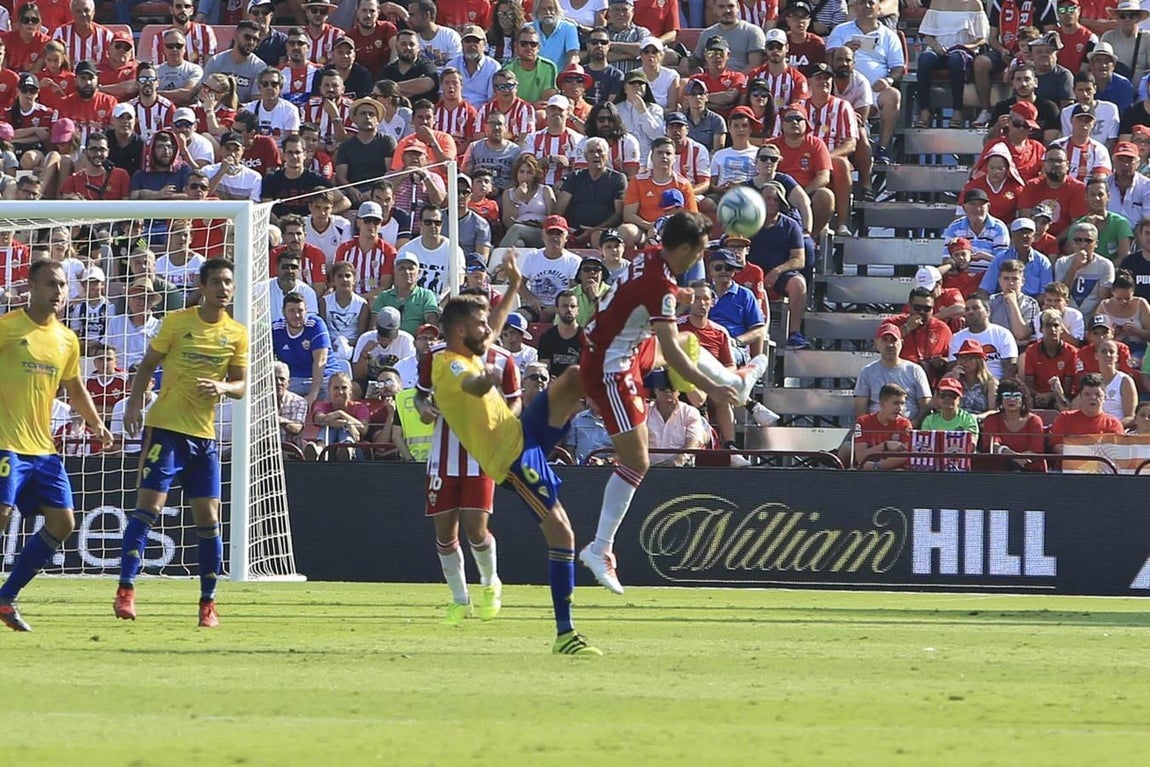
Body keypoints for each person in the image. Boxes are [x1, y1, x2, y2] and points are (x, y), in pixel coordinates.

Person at [579, 212, 762, 594]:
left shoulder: (649, 256)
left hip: (620, 345)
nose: (698, 262)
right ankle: (600, 548)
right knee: (637, 460)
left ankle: (736, 382)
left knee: (690, 341)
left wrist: (680, 297)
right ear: (681, 249)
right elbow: (670, 354)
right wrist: (709, 388)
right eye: (696, 253)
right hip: (613, 365)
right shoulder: (660, 281)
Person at [431, 254, 603, 655]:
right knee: (563, 534)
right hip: (512, 462)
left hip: (522, 434)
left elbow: (490, 330)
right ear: (459, 331)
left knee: (575, 377)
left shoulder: (469, 349)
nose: (488, 330)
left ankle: (621, 392)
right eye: (479, 324)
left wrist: (515, 284)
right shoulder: (449, 366)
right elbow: (471, 385)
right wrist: (486, 378)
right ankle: (565, 634)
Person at [111, 259, 246, 628]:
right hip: (166, 430)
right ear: (202, 286)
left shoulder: (236, 333)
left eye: (228, 282)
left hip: (204, 437)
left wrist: (222, 386)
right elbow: (146, 364)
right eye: (216, 281)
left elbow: (241, 384)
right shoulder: (176, 322)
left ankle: (208, 603)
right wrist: (134, 406)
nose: (223, 288)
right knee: (149, 508)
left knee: (210, 518)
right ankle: (125, 589)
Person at [0, 261, 112, 631]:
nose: (58, 291)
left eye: (63, 285)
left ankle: (5, 597)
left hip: (43, 449)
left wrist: (97, 424)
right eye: (50, 284)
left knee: (63, 522)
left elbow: (76, 388)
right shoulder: (7, 328)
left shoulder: (67, 339)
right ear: (31, 286)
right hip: (6, 443)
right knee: (1, 514)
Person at [855, 322, 933, 424]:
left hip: (909, 428)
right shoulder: (867, 372)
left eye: (893, 340)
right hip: (877, 430)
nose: (890, 345)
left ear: (901, 343)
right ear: (876, 344)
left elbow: (925, 406)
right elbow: (861, 409)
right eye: (885, 340)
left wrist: (913, 424)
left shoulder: (915, 370)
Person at [978, 378, 1047, 471]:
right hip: (999, 473)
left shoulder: (1034, 421)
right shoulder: (992, 420)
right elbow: (992, 446)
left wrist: (1015, 458)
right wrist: (1014, 456)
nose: (1011, 399)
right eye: (1006, 395)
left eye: (1017, 396)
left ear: (1023, 399)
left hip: (1031, 472)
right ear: (1000, 399)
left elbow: (1036, 451)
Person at [1049, 372, 1126, 454]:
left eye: (1098, 394)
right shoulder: (1065, 418)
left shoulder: (1113, 424)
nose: (1093, 398)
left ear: (1105, 397)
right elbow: (1057, 446)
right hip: (1070, 465)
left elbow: (1117, 452)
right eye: (1087, 394)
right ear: (1081, 397)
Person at [645, 369, 709, 467]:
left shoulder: (690, 412)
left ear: (679, 391)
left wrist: (680, 459)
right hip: (647, 469)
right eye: (662, 389)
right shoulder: (645, 411)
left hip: (680, 471)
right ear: (655, 391)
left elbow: (694, 442)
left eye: (672, 389)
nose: (668, 393)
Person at [950, 293, 1020, 380]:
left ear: (987, 312)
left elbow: (1010, 369)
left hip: (997, 383)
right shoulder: (957, 338)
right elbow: (952, 367)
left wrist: (999, 389)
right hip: (968, 385)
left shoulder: (1003, 334)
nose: (970, 312)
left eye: (975, 308)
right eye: (967, 309)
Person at [844, 382, 912, 471]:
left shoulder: (904, 424)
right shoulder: (863, 422)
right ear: (883, 403)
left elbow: (907, 455)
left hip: (891, 470)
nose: (900, 408)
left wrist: (877, 466)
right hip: (867, 473)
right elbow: (860, 457)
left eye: (902, 404)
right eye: (896, 403)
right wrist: (885, 446)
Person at [1055, 221, 1115, 318]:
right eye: (1078, 240)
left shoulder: (1105, 265)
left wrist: (1090, 321)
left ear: (1096, 244)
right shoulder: (1062, 263)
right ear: (1072, 243)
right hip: (1067, 316)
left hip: (1094, 316)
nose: (1083, 245)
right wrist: (1074, 268)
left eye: (1088, 240)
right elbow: (1059, 295)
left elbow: (1104, 299)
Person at [1022, 308, 1078, 409]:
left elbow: (1067, 388)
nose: (1052, 329)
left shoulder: (1071, 352)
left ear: (1061, 329)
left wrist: (1050, 395)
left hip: (1060, 396)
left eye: (1056, 325)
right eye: (1048, 325)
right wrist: (1040, 396)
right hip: (1037, 397)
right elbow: (1029, 384)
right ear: (1041, 329)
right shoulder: (1032, 350)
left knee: (1061, 406)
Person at [1074, 338, 1137, 423]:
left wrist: (1111, 428)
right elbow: (1073, 408)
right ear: (1096, 355)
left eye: (1111, 352)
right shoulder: (1092, 380)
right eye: (1103, 351)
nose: (1108, 354)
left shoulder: (1125, 381)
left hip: (1116, 431)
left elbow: (1130, 417)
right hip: (1092, 429)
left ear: (1117, 357)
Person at [537, 290, 583, 377]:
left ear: (577, 310)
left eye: (572, 306)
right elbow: (544, 367)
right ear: (557, 310)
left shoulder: (586, 337)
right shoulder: (547, 337)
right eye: (565, 306)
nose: (569, 309)